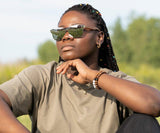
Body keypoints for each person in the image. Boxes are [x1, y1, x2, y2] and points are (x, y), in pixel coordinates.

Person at [0, 3, 160, 133]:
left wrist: (94, 76)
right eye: (59, 32)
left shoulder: (115, 82)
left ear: (99, 37)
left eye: (76, 30)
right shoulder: (42, 77)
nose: (66, 36)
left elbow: (154, 104)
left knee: (143, 121)